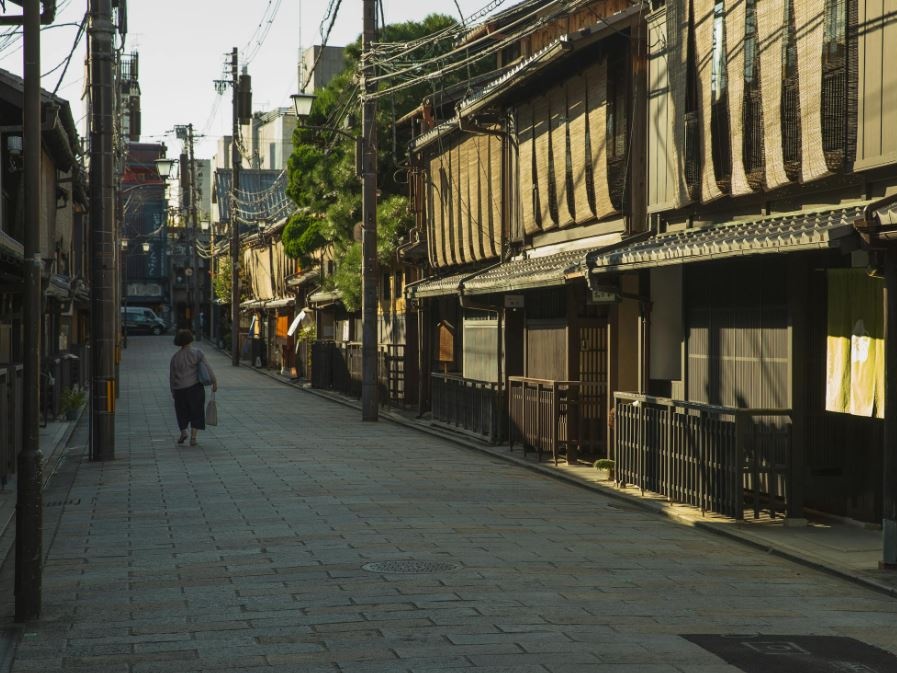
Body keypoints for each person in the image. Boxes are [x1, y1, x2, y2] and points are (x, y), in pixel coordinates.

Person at [170, 329, 217, 446]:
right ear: (190, 339)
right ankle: (193, 438)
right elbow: (207, 367)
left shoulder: (175, 357)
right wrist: (214, 381)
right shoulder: (197, 353)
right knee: (196, 412)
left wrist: (173, 391)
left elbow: (172, 376)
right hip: (195, 388)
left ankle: (183, 432)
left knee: (181, 412)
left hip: (179, 389)